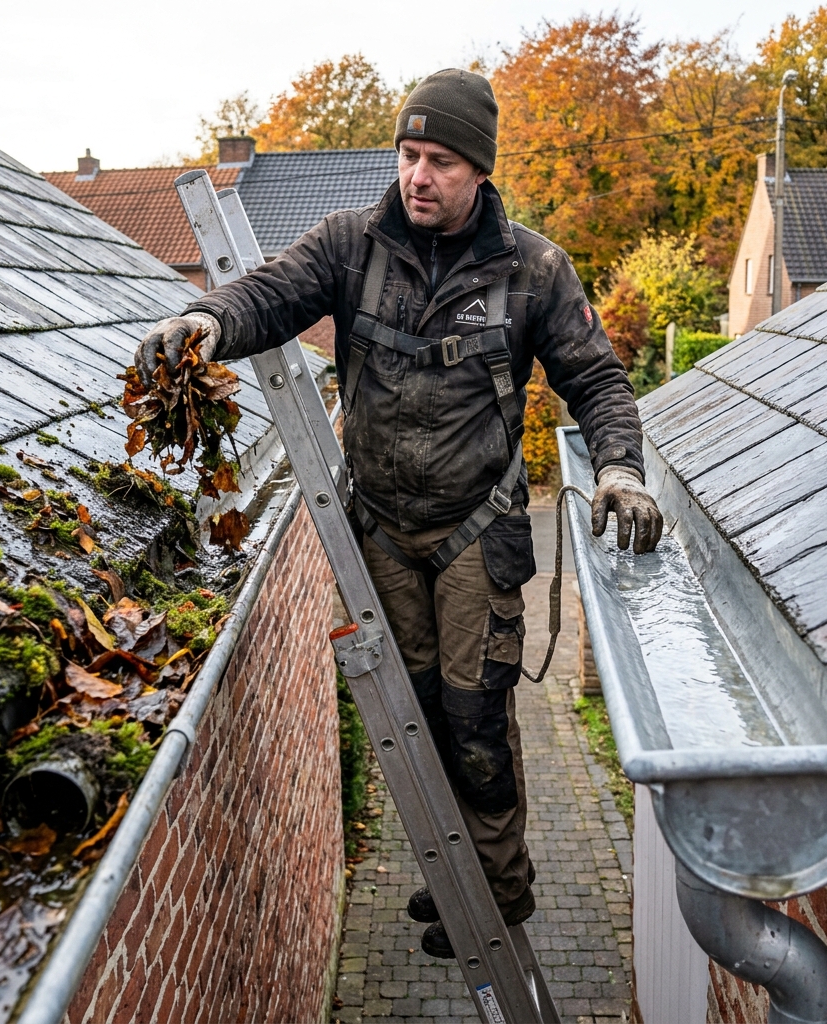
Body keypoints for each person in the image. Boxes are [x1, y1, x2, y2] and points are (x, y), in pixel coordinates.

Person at [135, 68, 663, 959]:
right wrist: (206, 322)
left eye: (441, 160)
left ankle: (500, 888)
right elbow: (270, 293)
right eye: (409, 154)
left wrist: (619, 468)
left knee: (475, 718)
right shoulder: (352, 245)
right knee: (414, 711)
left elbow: (598, 379)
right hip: (380, 529)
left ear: (479, 170)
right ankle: (451, 871)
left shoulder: (533, 269)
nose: (419, 175)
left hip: (475, 535)